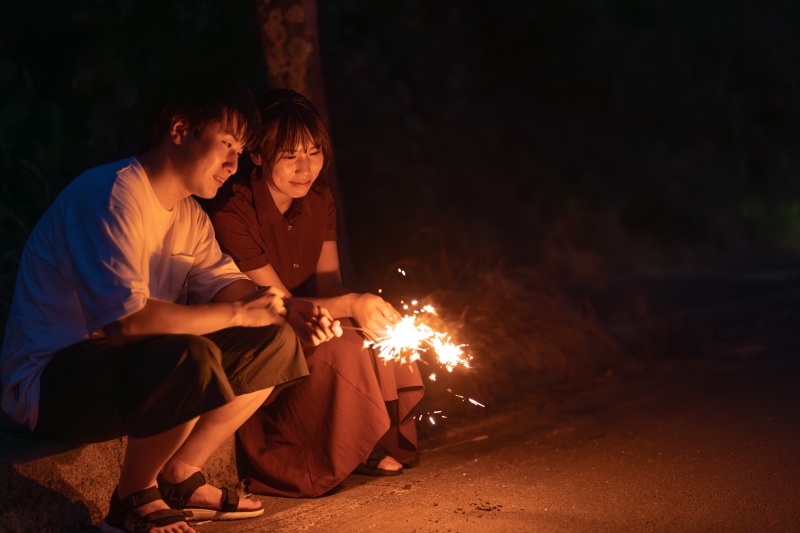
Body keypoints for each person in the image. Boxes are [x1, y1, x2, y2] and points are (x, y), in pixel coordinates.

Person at [0, 75, 341, 533]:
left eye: (240, 150)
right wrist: (242, 312)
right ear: (180, 131)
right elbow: (125, 323)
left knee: (276, 340)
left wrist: (284, 307)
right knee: (189, 355)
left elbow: (225, 284)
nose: (233, 164)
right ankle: (133, 500)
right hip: (51, 383)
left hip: (132, 368)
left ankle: (180, 477)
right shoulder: (109, 197)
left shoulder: (189, 216)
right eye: (226, 144)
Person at [207, 88, 425, 498]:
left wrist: (365, 305)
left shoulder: (320, 199)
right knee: (346, 344)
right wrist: (349, 305)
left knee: (379, 333)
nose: (305, 167)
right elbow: (279, 303)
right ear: (258, 155)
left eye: (313, 152)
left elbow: (329, 285)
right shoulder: (233, 214)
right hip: (267, 330)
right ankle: (316, 453)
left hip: (311, 314)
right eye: (289, 155)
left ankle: (368, 439)